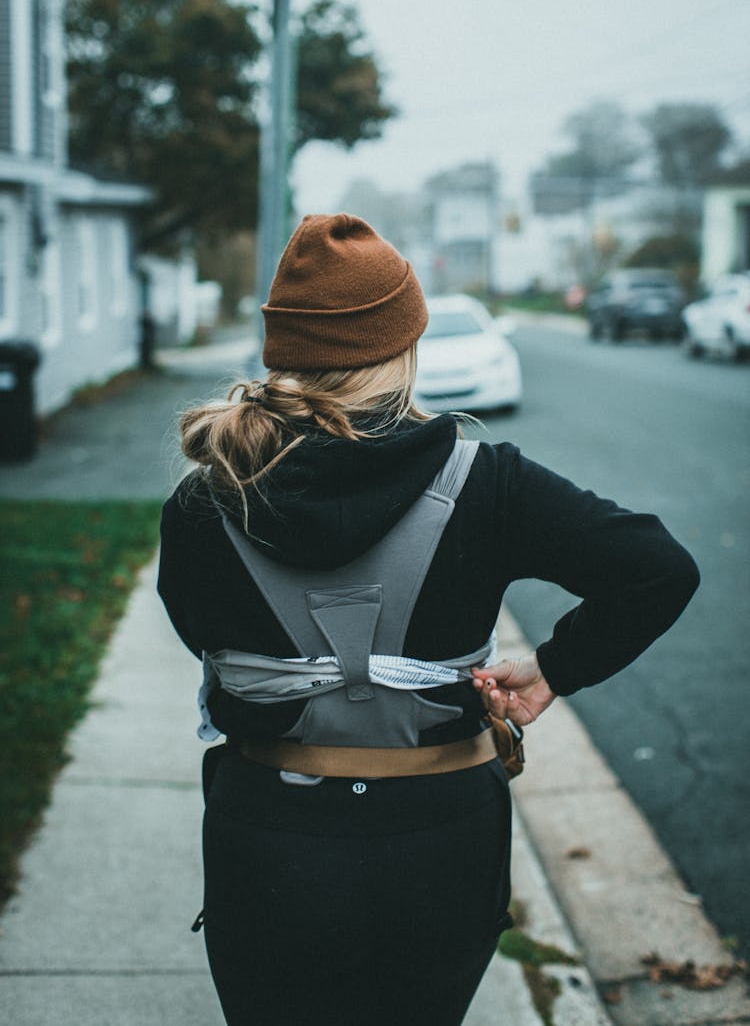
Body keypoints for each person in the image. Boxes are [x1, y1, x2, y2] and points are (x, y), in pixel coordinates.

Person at [157, 213, 699, 1026]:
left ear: (285, 350)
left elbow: (195, 627)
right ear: (401, 346)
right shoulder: (489, 482)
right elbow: (658, 570)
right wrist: (553, 668)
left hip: (269, 838)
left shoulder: (204, 501)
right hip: (441, 841)